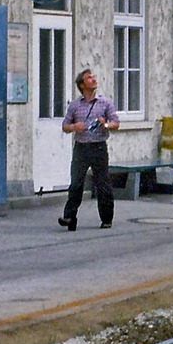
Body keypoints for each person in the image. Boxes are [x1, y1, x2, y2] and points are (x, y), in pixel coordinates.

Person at [58, 68, 120, 231]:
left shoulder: (105, 103)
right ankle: (69, 217)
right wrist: (73, 127)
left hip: (99, 147)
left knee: (103, 183)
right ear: (81, 85)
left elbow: (116, 123)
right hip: (81, 148)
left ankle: (106, 218)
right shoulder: (75, 105)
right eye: (89, 78)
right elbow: (64, 126)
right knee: (76, 183)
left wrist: (105, 124)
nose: (93, 79)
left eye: (93, 77)